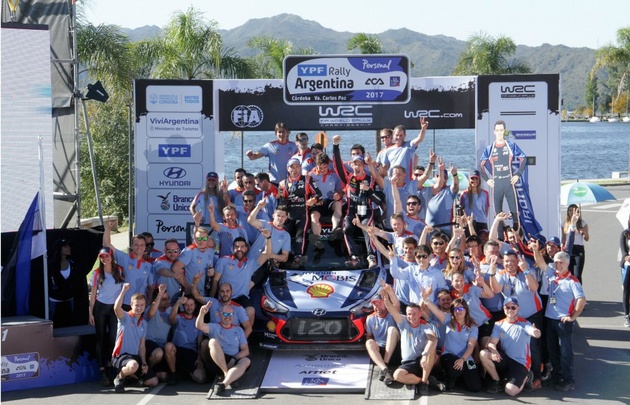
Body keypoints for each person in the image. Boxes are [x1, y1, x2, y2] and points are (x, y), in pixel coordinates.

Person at [489, 250, 543, 389]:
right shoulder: (502, 274)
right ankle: (518, 374)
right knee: (513, 345)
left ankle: (536, 376)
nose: (510, 264)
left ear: (517, 262)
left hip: (530, 315)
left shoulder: (526, 271)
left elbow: (534, 287)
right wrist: (492, 273)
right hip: (513, 315)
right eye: (507, 261)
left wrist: (525, 270)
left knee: (532, 346)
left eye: (513, 261)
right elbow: (496, 289)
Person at [380, 282, 443, 393]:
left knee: (432, 348)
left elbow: (433, 339)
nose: (411, 316)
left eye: (414, 314)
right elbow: (392, 310)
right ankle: (425, 381)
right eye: (409, 314)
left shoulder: (426, 325)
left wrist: (424, 355)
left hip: (423, 359)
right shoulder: (403, 322)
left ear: (420, 314)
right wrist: (386, 298)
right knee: (397, 375)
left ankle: (424, 380)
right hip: (408, 362)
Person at [332, 135, 384, 267]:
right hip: (352, 211)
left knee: (368, 228)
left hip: (367, 212)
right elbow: (338, 166)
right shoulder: (349, 178)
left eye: (360, 164)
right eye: (355, 164)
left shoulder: (371, 179)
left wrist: (369, 191)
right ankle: (355, 256)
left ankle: (371, 257)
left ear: (364, 165)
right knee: (346, 228)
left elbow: (379, 200)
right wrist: (335, 146)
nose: (357, 167)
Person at [480, 297, 541, 396]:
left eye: (513, 307)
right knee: (483, 353)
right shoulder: (498, 324)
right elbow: (492, 343)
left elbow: (534, 332)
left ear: (518, 308)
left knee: (510, 391)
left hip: (520, 363)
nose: (510, 310)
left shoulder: (525, 323)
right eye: (507, 307)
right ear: (504, 308)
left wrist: (536, 332)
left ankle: (526, 377)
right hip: (505, 359)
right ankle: (497, 382)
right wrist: (494, 351)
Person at [543, 251, 586, 391]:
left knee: (565, 352)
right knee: (552, 350)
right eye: (556, 262)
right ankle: (556, 375)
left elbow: (581, 300)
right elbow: (541, 264)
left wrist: (573, 317)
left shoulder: (573, 281)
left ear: (567, 263)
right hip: (550, 318)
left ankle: (568, 380)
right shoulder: (553, 276)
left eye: (561, 262)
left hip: (563, 321)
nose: (558, 265)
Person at [210, 230, 273, 324]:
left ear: (246, 248)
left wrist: (268, 238)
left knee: (251, 312)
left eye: (242, 246)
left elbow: (267, 254)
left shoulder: (251, 263)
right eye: (237, 246)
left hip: (241, 297)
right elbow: (215, 281)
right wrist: (212, 298)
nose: (239, 249)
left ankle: (246, 334)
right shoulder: (223, 261)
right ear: (233, 248)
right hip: (225, 297)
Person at [422, 297, 482, 392]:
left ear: (466, 310)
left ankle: (458, 380)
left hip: (465, 357)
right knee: (456, 370)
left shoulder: (473, 326)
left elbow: (471, 346)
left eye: (461, 308)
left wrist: (462, 359)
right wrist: (425, 299)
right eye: (455, 309)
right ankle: (446, 378)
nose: (458, 311)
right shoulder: (449, 319)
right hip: (448, 355)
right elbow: (436, 311)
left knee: (475, 387)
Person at [480, 120, 527, 232]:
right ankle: (500, 236)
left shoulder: (510, 145)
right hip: (496, 183)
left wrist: (518, 174)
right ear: (494, 132)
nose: (499, 132)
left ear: (504, 131)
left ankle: (516, 230)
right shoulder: (490, 148)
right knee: (498, 213)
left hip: (508, 181)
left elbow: (524, 158)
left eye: (501, 130)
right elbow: (480, 165)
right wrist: (487, 179)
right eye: (497, 130)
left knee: (514, 210)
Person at [111, 283, 159, 392]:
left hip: (135, 358)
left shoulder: (144, 324)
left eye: (142, 305)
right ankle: (119, 377)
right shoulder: (125, 317)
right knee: (133, 365)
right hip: (120, 356)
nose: (139, 308)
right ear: (131, 305)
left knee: (153, 381)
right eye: (136, 305)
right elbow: (116, 308)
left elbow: (142, 346)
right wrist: (123, 291)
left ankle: (132, 377)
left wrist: (144, 363)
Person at [196, 302, 250, 397]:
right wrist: (202, 313)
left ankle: (223, 385)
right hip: (217, 362)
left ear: (233, 316)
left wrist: (234, 358)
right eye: (225, 314)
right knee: (212, 341)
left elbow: (245, 350)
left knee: (246, 360)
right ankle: (226, 373)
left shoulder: (239, 330)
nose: (228, 317)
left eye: (230, 314)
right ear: (219, 315)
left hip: (233, 360)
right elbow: (199, 326)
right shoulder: (214, 326)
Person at [89, 247, 124, 386]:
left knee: (113, 338)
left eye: (107, 256)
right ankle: (102, 369)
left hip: (114, 308)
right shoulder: (97, 273)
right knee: (101, 339)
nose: (105, 259)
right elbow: (93, 294)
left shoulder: (119, 270)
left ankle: (110, 365)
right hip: (101, 308)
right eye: (102, 257)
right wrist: (90, 312)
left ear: (111, 256)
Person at [103, 221, 152, 311]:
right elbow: (106, 245)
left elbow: (150, 287)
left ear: (145, 247)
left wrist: (149, 301)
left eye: (142, 245)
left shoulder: (149, 266)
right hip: (125, 302)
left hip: (141, 304)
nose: (139, 247)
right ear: (132, 246)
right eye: (136, 245)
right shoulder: (124, 258)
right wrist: (108, 229)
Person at [306, 153, 344, 248]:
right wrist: (312, 200)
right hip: (317, 202)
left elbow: (340, 191)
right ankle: (317, 238)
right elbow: (307, 193)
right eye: (320, 167)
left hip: (330, 201)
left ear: (328, 165)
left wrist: (338, 195)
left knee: (338, 205)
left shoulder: (334, 175)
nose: (322, 170)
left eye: (325, 167)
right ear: (316, 164)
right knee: (314, 216)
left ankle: (335, 230)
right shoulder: (310, 175)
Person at [167, 293, 206, 384]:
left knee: (201, 378)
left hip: (191, 352)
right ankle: (173, 374)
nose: (189, 307)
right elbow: (171, 319)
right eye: (186, 305)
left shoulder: (198, 321)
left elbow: (200, 341)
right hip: (177, 351)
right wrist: (178, 303)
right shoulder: (178, 317)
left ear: (195, 306)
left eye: (191, 305)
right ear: (183, 306)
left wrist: (199, 358)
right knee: (168, 346)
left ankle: (185, 372)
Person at [171, 223, 217, 297]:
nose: (201, 241)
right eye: (199, 238)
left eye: (204, 239)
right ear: (195, 239)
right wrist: (189, 288)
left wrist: (211, 274)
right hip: (191, 295)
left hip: (205, 294)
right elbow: (175, 269)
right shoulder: (189, 251)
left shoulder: (210, 251)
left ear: (207, 239)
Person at [365, 294, 400, 386]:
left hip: (395, 350)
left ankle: (385, 364)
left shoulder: (393, 314)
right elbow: (369, 335)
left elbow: (397, 304)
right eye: (375, 304)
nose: (377, 307)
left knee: (392, 329)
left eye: (380, 303)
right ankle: (385, 370)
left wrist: (388, 292)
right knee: (369, 342)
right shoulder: (370, 319)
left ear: (385, 303)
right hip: (380, 351)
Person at [144, 284, 175, 383]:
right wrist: (160, 294)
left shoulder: (170, 311)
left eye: (168, 298)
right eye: (164, 299)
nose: (167, 301)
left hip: (161, 346)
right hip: (149, 343)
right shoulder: (150, 308)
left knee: (163, 377)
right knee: (158, 353)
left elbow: (173, 320)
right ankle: (143, 372)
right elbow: (151, 313)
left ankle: (152, 372)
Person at [48, 239, 80, 327]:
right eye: (65, 246)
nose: (69, 248)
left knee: (69, 323)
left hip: (69, 300)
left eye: (69, 246)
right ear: (59, 249)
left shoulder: (72, 264)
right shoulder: (51, 265)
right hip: (54, 301)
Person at [425, 158, 459, 237]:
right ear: (435, 177)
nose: (442, 178)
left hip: (445, 229)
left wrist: (454, 175)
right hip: (430, 229)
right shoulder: (429, 190)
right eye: (439, 176)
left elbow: (456, 185)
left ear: (447, 179)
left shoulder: (449, 190)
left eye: (444, 177)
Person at [562, 204, 589, 283]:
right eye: (570, 210)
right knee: (569, 273)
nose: (571, 212)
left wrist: (584, 232)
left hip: (578, 249)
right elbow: (563, 238)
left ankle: (578, 289)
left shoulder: (582, 223)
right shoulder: (564, 223)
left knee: (577, 274)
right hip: (568, 249)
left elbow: (587, 238)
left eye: (574, 210)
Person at [152, 239, 183, 304]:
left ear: (178, 250)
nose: (172, 254)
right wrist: (173, 275)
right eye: (169, 252)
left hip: (177, 298)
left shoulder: (181, 260)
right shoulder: (159, 261)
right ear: (165, 251)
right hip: (163, 300)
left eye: (175, 251)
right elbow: (162, 270)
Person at [459, 170, 489, 234]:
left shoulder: (485, 193)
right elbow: (461, 208)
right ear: (469, 180)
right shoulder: (464, 194)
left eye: (476, 178)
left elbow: (487, 207)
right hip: (469, 222)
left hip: (482, 222)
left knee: (482, 239)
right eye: (472, 178)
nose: (474, 181)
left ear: (479, 180)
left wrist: (482, 216)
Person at [620, 216, 630, 327]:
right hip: (627, 265)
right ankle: (627, 315)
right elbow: (623, 249)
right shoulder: (625, 233)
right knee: (626, 290)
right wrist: (626, 256)